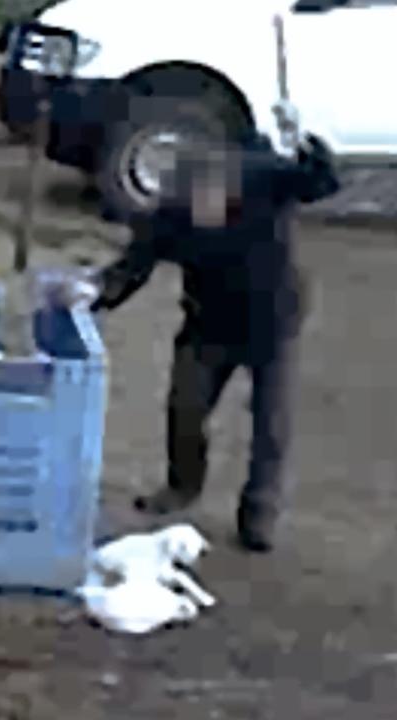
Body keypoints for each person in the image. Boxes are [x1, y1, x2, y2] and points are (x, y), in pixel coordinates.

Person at [86, 105, 341, 552]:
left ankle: (258, 513)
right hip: (207, 324)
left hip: (272, 319)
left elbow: (320, 183)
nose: (204, 207)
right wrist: (91, 294)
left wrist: (310, 147)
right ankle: (183, 485)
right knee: (185, 407)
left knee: (270, 421)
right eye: (194, 197)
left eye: (213, 196)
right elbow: (131, 269)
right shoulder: (167, 214)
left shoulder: (266, 178)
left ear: (232, 185)